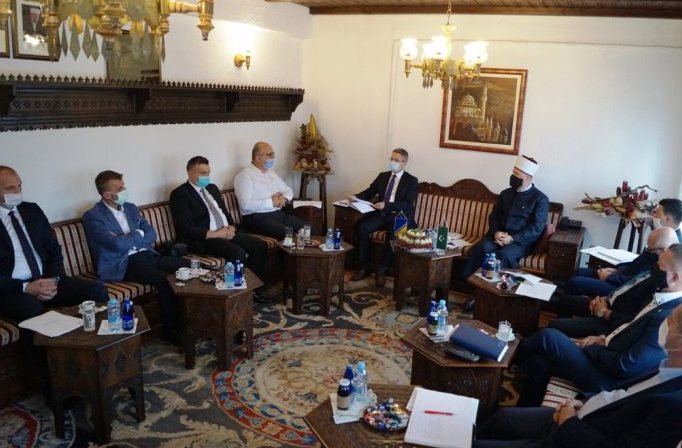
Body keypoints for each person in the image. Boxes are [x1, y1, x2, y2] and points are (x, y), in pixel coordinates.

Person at [474, 302, 682, 448]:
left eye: (670, 322)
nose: (664, 322)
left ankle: (501, 353)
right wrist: (582, 402)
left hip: (576, 433)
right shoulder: (668, 368)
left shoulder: (674, 406)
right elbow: (624, 394)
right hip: (583, 411)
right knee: (503, 417)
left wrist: (567, 423)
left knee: (549, 336)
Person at [516, 244, 682, 406]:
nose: (654, 266)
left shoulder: (668, 315)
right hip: (608, 353)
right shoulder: (660, 295)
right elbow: (629, 325)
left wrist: (592, 349)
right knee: (540, 361)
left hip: (608, 380)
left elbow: (627, 366)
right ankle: (524, 411)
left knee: (548, 336)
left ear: (674, 278)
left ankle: (512, 354)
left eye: (660, 265)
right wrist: (604, 338)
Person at [83, 170, 190, 343]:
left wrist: (128, 237)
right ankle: (170, 331)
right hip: (123, 264)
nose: (125, 190)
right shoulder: (93, 217)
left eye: (123, 186)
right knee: (165, 280)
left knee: (187, 266)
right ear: (107, 195)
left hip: (147, 254)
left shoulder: (131, 208)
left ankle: (191, 319)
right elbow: (116, 246)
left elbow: (151, 234)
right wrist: (138, 233)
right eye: (120, 188)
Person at [0, 166, 108, 323]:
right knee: (32, 310)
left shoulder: (31, 210)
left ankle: (101, 336)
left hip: (47, 279)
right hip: (12, 289)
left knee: (97, 290)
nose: (18, 192)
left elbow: (53, 248)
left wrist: (53, 279)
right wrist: (26, 287)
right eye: (10, 188)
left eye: (19, 185)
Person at [170, 156, 269, 302]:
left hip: (226, 232)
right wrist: (216, 234)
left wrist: (232, 227)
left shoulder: (212, 188)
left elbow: (224, 213)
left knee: (259, 245)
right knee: (237, 252)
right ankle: (235, 295)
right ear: (190, 173)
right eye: (203, 173)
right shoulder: (180, 194)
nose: (207, 176)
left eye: (208, 172)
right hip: (204, 238)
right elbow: (186, 228)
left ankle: (255, 292)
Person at [549, 227, 678, 338]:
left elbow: (632, 320)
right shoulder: (658, 266)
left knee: (555, 324)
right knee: (566, 300)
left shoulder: (659, 288)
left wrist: (604, 311)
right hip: (611, 301)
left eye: (660, 263)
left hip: (611, 320)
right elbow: (632, 275)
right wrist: (606, 295)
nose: (657, 263)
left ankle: (563, 338)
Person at [461, 155, 549, 280]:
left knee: (504, 255)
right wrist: (496, 232)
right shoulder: (505, 193)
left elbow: (536, 228)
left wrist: (512, 238)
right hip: (498, 236)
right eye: (513, 172)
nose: (513, 177)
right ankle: (470, 283)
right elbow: (494, 216)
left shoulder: (540, 199)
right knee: (482, 247)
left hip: (519, 242)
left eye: (517, 174)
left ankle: (496, 288)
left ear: (528, 178)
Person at [566, 213, 682, 297]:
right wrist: (615, 270)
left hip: (623, 288)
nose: (653, 214)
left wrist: (609, 277)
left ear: (663, 250)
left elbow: (637, 281)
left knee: (576, 282)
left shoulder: (665, 262)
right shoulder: (656, 248)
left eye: (650, 250)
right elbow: (635, 265)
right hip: (620, 276)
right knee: (577, 271)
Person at [349, 148, 418, 287]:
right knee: (362, 228)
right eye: (392, 159)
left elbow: (408, 204)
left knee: (393, 234)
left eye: (396, 160)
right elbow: (369, 192)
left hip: (399, 216)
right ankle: (364, 267)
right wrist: (355, 197)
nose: (393, 162)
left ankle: (382, 270)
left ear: (404, 163)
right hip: (382, 214)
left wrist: (387, 204)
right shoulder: (383, 176)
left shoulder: (411, 181)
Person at [234, 142, 309, 239]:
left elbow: (287, 190)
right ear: (258, 158)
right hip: (256, 218)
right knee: (288, 235)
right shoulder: (245, 176)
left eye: (273, 154)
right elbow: (245, 204)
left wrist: (284, 199)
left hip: (277, 213)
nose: (273, 158)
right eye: (270, 155)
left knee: (309, 229)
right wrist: (271, 202)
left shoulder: (271, 173)